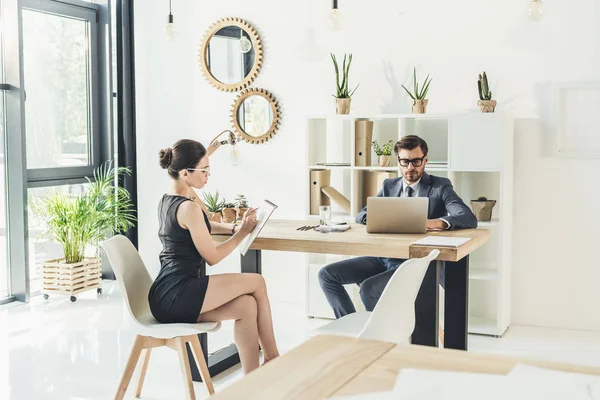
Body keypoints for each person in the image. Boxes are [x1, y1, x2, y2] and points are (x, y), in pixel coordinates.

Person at [148, 138, 279, 374]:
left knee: (247, 306)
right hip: (178, 292)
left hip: (165, 296)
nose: (208, 175)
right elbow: (213, 257)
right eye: (204, 170)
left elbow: (205, 223)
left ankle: (253, 379)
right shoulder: (188, 208)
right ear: (186, 173)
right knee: (257, 282)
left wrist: (233, 228)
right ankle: (273, 358)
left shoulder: (168, 200)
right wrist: (242, 233)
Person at [318, 135, 477, 318]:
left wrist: (434, 222)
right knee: (327, 275)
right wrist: (377, 217)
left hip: (415, 261)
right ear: (398, 161)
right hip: (383, 256)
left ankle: (381, 336)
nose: (410, 167)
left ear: (425, 160)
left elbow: (467, 217)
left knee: (369, 288)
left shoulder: (440, 187)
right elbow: (360, 214)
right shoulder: (389, 185)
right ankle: (352, 327)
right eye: (405, 161)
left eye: (416, 161)